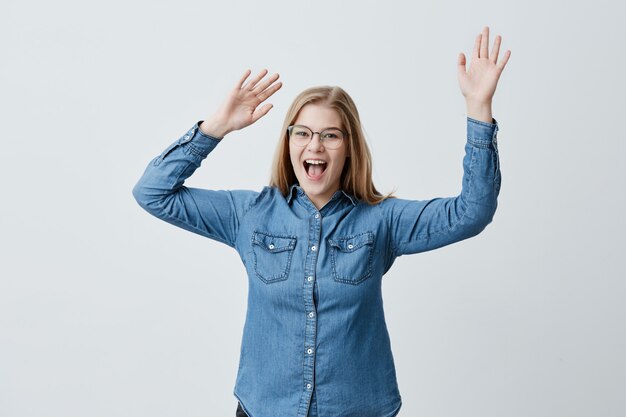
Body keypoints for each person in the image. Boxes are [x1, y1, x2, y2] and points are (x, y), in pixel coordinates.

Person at [132, 26, 510, 417]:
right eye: (304, 133)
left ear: (349, 148)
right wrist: (215, 128)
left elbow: (472, 212)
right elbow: (152, 193)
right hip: (265, 409)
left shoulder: (382, 221)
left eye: (330, 135)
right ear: (289, 142)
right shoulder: (248, 214)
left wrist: (478, 109)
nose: (315, 146)